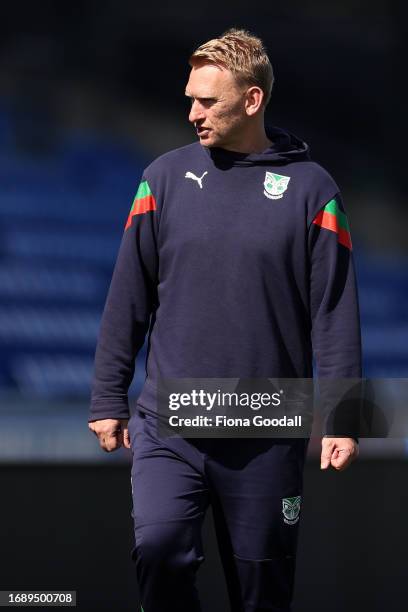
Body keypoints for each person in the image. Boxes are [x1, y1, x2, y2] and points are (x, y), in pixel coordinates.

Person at [88, 28, 361, 612]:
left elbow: (334, 311)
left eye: (207, 101)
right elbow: (127, 295)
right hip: (171, 421)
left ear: (252, 100)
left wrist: (344, 416)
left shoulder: (315, 190)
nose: (192, 113)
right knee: (159, 550)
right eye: (190, 97)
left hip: (267, 425)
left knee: (262, 591)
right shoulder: (161, 178)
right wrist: (108, 397)